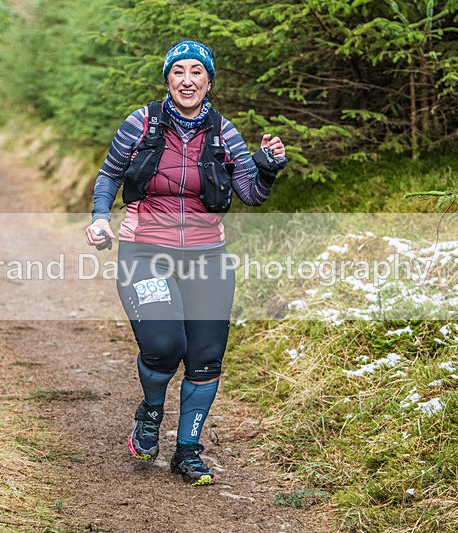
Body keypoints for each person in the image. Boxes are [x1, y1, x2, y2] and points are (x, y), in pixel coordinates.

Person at [85, 40, 287, 486]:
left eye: (198, 72)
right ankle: (151, 412)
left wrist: (266, 166)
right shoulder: (140, 123)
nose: (188, 80)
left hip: (207, 255)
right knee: (164, 345)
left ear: (209, 81)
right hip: (145, 250)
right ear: (168, 80)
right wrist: (101, 219)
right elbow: (109, 175)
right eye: (179, 72)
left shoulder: (224, 132)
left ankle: (188, 452)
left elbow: (250, 194)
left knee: (207, 357)